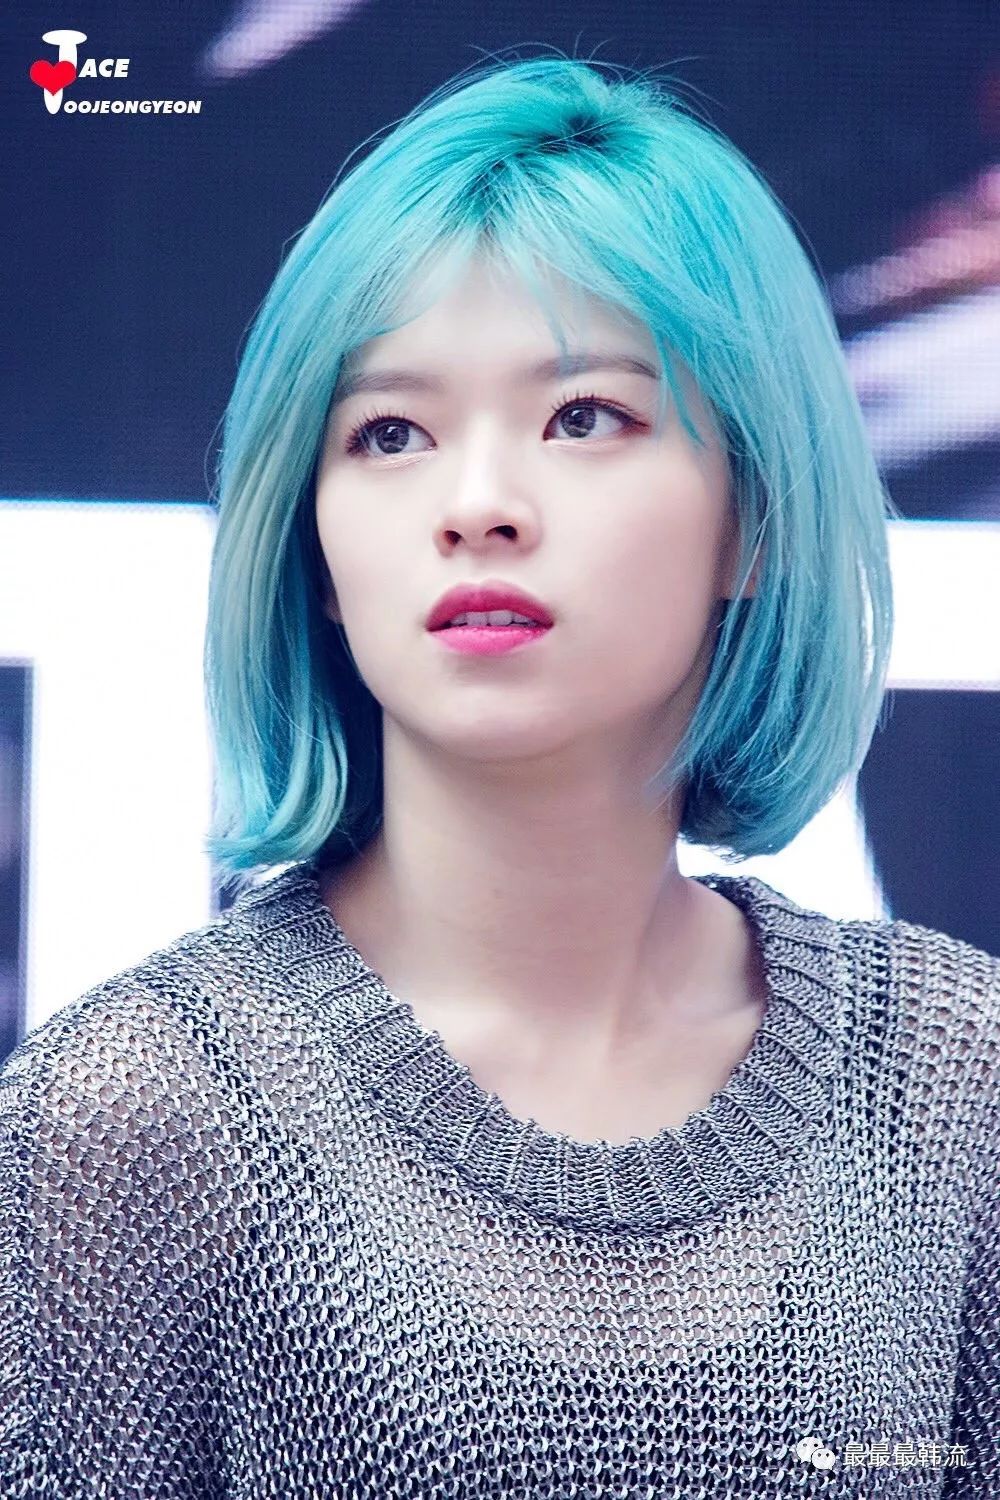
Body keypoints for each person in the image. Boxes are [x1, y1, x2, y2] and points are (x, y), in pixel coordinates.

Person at [1, 51, 996, 1500]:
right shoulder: (133, 1111)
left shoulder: (952, 1077)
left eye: (584, 416)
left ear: (755, 515)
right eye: (389, 434)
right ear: (313, 545)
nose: (476, 506)